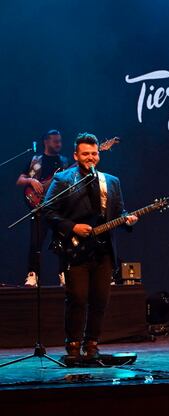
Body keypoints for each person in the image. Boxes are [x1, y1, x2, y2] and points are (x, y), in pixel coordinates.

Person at [41, 133, 138, 360]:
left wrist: (127, 219)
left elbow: (119, 212)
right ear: (76, 155)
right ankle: (73, 346)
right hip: (75, 249)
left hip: (104, 250)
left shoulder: (111, 181)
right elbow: (47, 211)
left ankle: (92, 344)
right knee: (77, 297)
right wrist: (72, 227)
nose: (91, 158)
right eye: (86, 154)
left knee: (100, 300)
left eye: (94, 153)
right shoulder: (64, 179)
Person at [16, 130, 67, 287]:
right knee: (36, 242)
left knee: (63, 241)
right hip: (39, 206)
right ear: (46, 141)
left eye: (60, 141)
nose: (59, 144)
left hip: (58, 206)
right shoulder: (35, 160)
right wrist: (32, 180)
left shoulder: (64, 161)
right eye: (55, 141)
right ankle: (33, 275)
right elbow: (20, 181)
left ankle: (63, 274)